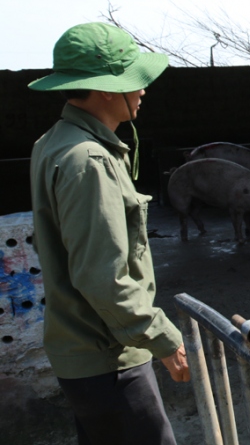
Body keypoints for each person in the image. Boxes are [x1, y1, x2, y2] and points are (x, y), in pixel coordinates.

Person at [28, 22, 190, 445]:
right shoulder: (88, 160)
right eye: (133, 80)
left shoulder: (55, 141)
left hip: (82, 350)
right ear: (104, 89)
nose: (142, 90)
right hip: (108, 356)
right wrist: (161, 337)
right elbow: (103, 276)